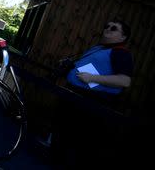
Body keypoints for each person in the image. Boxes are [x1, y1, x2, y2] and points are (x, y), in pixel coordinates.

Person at [51, 19, 134, 167]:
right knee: (62, 132)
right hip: (74, 95)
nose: (108, 29)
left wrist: (93, 78)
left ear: (123, 37)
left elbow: (124, 81)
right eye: (106, 26)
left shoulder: (121, 53)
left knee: (79, 139)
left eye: (114, 28)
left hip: (91, 102)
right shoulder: (99, 48)